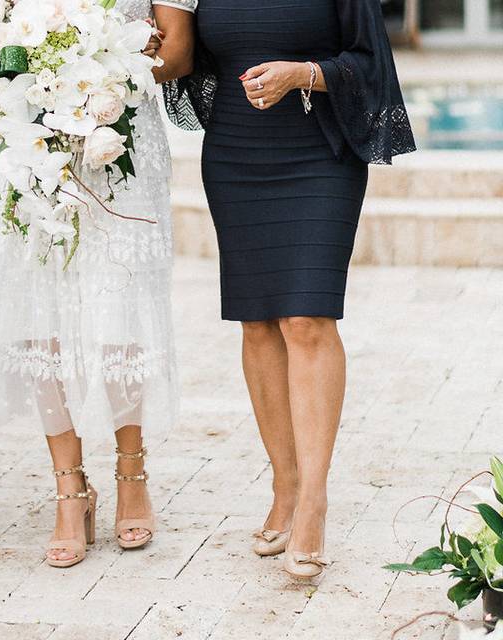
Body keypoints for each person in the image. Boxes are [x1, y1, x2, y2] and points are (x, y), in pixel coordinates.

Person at [164, 0, 415, 578]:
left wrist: (302, 73)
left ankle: (315, 502)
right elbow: (187, 57)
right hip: (235, 152)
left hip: (317, 153)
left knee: (307, 319)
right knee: (257, 321)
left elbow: (371, 62)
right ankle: (285, 484)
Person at [0, 0, 197, 568]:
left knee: (122, 312)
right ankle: (70, 490)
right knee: (43, 317)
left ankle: (131, 473)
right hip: (32, 141)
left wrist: (96, 76)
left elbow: (178, 52)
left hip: (120, 140)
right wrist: (42, 80)